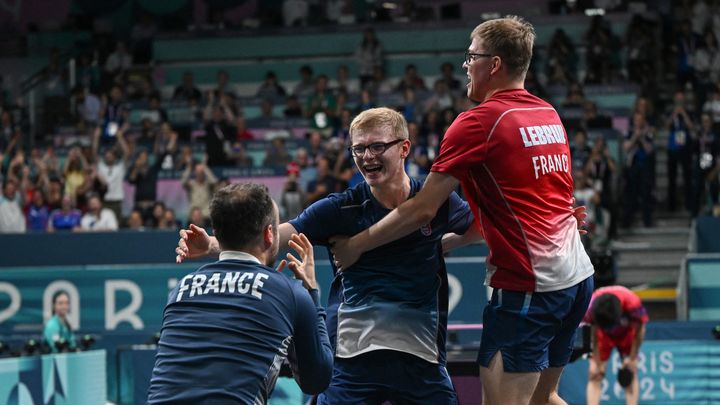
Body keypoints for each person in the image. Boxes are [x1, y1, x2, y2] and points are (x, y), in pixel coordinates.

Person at [330, 16, 594, 405]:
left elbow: (422, 209)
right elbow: (546, 200)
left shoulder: (477, 123)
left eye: (472, 56)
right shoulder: (547, 114)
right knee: (544, 398)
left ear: (495, 64)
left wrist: (357, 245)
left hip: (529, 286)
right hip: (576, 276)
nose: (466, 65)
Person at [175, 107, 480, 404]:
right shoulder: (339, 209)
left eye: (377, 146)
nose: (367, 157)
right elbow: (275, 236)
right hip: (352, 359)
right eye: (358, 149)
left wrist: (438, 245)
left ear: (404, 148)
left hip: (422, 357)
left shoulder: (438, 201)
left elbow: (478, 229)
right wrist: (214, 246)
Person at [148, 183, 333, 404]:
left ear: (217, 233)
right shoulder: (290, 293)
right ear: (269, 234)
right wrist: (311, 293)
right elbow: (317, 380)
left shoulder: (181, 289)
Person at [584, 286, 648, 405]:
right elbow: (592, 334)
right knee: (594, 374)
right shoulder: (590, 306)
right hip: (601, 335)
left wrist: (632, 358)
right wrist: (596, 361)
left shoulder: (633, 303)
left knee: (630, 371)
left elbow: (640, 330)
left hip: (626, 332)